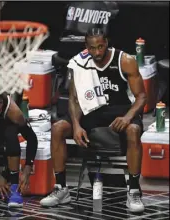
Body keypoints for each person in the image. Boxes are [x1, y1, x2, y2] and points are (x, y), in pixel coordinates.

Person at [40, 28, 147, 213]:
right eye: (92, 48)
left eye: (100, 47)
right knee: (58, 128)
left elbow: (142, 97)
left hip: (119, 110)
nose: (97, 52)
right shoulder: (78, 63)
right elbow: (74, 99)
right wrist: (76, 125)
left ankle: (134, 190)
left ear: (107, 43)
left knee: (134, 130)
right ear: (86, 47)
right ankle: (61, 188)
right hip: (91, 110)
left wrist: (128, 117)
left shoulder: (125, 61)